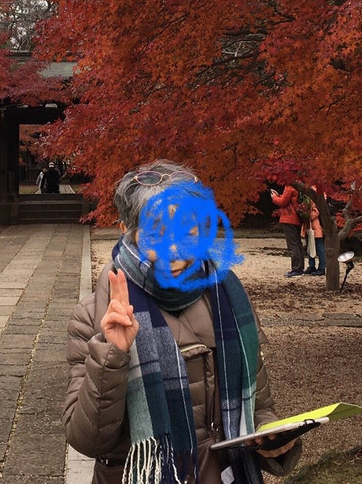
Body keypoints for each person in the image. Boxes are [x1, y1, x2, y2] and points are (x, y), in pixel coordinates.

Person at [64, 160, 301, 484]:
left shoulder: (230, 301)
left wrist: (273, 439)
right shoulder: (94, 315)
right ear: (127, 232)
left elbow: (260, 408)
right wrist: (112, 354)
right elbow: (87, 441)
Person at [270, 183, 304, 277]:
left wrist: (274, 197)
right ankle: (300, 267)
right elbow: (288, 200)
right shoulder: (298, 186)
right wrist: (279, 196)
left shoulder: (289, 186)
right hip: (297, 218)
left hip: (289, 218)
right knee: (297, 243)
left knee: (293, 244)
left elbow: (282, 202)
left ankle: (296, 269)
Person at [303, 189, 325, 276]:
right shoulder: (309, 190)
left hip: (316, 225)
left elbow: (317, 210)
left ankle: (322, 267)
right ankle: (311, 265)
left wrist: (308, 215)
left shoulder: (318, 192)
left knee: (319, 246)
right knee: (310, 245)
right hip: (310, 224)